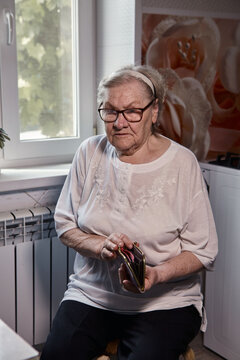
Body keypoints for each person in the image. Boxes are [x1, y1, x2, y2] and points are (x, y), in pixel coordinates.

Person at [40, 64, 218, 360]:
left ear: (154, 112)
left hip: (166, 302)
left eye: (132, 111)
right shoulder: (88, 152)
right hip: (93, 294)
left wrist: (157, 274)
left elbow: (203, 251)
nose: (120, 122)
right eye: (110, 111)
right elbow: (65, 225)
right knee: (57, 355)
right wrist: (100, 245)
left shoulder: (183, 164)